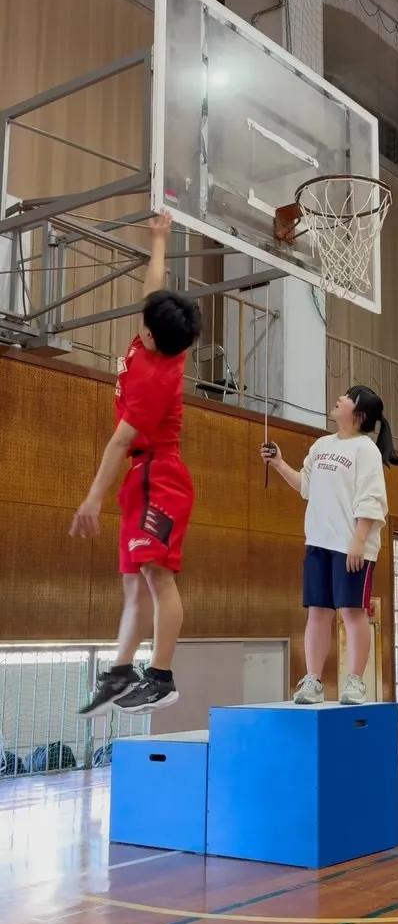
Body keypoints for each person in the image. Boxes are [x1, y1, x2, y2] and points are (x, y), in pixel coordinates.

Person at [71, 211, 201, 716]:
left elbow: (117, 444)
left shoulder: (154, 382)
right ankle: (121, 670)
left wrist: (93, 498)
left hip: (160, 476)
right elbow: (154, 289)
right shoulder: (162, 337)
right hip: (140, 479)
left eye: (143, 327)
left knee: (158, 578)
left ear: (152, 339)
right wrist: (160, 241)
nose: (139, 326)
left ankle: (162, 675)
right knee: (134, 582)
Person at [261, 387, 398, 706]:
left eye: (347, 397)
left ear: (358, 414)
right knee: (318, 613)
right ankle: (313, 680)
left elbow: (372, 498)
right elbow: (306, 487)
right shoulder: (322, 445)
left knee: (353, 613)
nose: (339, 398)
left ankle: (354, 681)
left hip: (352, 546)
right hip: (318, 543)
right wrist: (280, 464)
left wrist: (358, 539)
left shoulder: (365, 450)